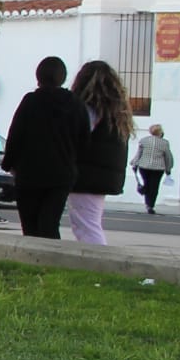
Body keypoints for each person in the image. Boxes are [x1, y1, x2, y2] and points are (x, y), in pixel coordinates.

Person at [2, 56, 91, 240]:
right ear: (63, 77)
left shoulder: (30, 101)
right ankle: (50, 261)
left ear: (39, 76)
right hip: (61, 174)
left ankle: (31, 261)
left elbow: (15, 134)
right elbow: (84, 141)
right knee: (50, 223)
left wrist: (8, 163)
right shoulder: (76, 104)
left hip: (29, 173)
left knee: (30, 224)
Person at [68, 60, 132, 246]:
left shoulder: (88, 109)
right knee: (89, 221)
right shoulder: (114, 112)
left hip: (86, 176)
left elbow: (77, 137)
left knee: (85, 225)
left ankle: (97, 264)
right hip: (102, 176)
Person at [133, 123, 174, 215]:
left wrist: (134, 164)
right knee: (154, 186)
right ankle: (150, 205)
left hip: (144, 166)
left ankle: (147, 202)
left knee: (147, 184)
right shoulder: (164, 143)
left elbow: (139, 154)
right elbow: (168, 157)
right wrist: (169, 168)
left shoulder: (144, 141)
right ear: (160, 132)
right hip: (157, 168)